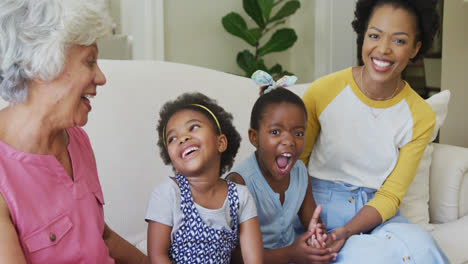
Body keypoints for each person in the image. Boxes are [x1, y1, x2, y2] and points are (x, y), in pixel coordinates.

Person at [300, 0, 449, 263]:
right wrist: (312, 224)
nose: (383, 49)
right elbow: (296, 168)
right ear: (363, 36)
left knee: (424, 251)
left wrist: (347, 230)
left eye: (399, 41)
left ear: (416, 48)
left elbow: (391, 194)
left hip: (376, 214)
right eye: (374, 36)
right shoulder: (322, 92)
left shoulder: (420, 116)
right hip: (316, 208)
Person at [0, 0, 148, 263]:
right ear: (40, 67)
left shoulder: (75, 138)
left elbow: (102, 237)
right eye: (89, 61)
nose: (101, 77)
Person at [228, 70, 335, 264]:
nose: (289, 141)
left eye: (299, 133)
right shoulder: (239, 183)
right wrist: (290, 254)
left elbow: (311, 222)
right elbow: (230, 255)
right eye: (276, 132)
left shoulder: (301, 172)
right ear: (254, 138)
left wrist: (317, 237)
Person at [146, 92, 263, 264]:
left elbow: (253, 260)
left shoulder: (240, 196)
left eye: (193, 127)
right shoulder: (168, 194)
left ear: (221, 143)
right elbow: (157, 257)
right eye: (172, 138)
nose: (183, 138)